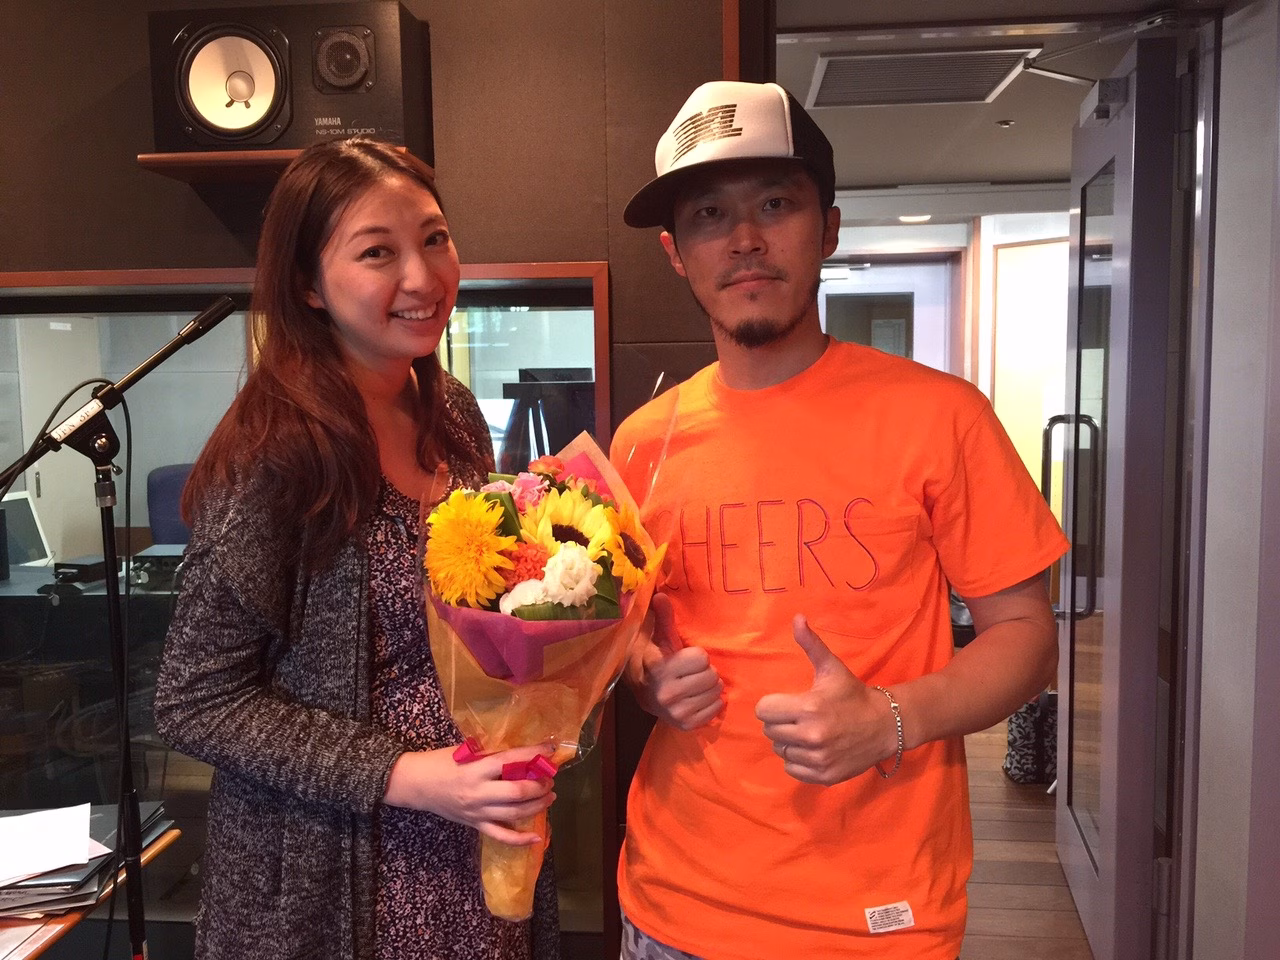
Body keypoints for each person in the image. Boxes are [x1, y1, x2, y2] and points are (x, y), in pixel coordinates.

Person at [609, 81, 1070, 960]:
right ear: (675, 252)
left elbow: (1027, 639)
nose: (745, 239)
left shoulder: (941, 417)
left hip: (876, 918)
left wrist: (891, 717)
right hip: (672, 905)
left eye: (774, 204)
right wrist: (645, 677)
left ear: (827, 227)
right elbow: (630, 640)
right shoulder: (642, 445)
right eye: (709, 214)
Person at [153, 138, 560, 960]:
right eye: (378, 252)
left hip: (472, 838)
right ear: (309, 284)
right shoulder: (275, 453)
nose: (423, 276)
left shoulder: (452, 413)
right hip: (336, 877)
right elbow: (193, 699)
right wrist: (403, 776)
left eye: (435, 238)